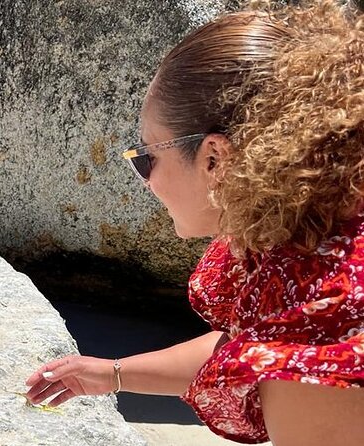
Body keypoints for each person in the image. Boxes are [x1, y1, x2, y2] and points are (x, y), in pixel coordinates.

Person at [25, 1, 364, 445]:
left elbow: (278, 353)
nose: (145, 180)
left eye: (147, 157)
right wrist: (111, 374)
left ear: (214, 158)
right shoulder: (313, 228)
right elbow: (247, 343)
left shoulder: (316, 346)